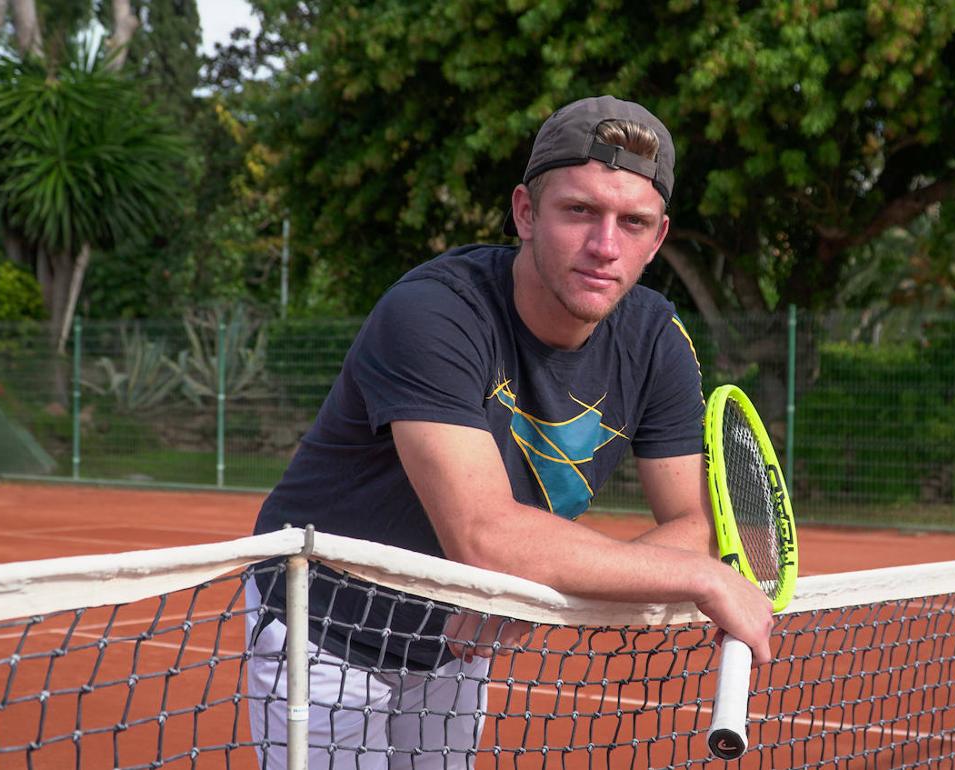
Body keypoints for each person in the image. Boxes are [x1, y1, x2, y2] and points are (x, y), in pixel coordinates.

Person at [245, 94, 774, 769]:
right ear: (525, 212)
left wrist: (526, 592)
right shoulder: (435, 312)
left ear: (658, 238)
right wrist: (694, 579)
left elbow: (697, 520)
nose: (605, 246)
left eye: (632, 222)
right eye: (579, 211)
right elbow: (485, 535)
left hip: (459, 636)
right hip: (326, 623)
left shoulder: (656, 340)